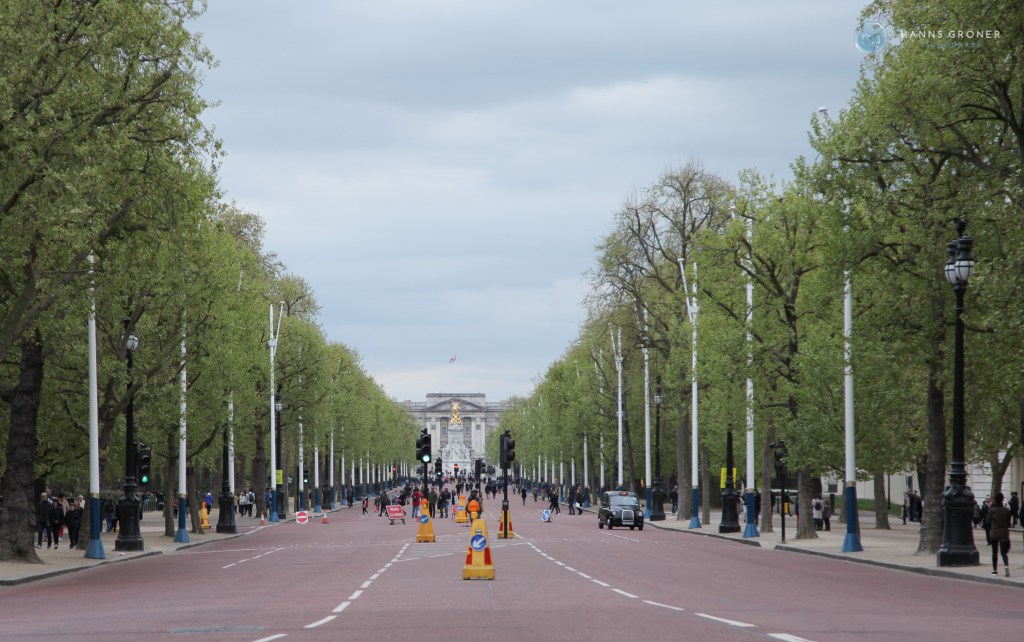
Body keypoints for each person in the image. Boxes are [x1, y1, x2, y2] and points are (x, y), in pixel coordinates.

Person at [983, 492, 1012, 576]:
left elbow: (987, 521)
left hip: (994, 532)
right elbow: (1008, 523)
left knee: (994, 552)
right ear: (1002, 499)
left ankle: (995, 570)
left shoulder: (992, 511)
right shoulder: (1006, 510)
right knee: (1004, 552)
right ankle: (1006, 566)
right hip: (1004, 533)